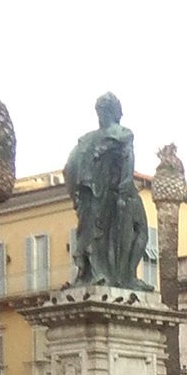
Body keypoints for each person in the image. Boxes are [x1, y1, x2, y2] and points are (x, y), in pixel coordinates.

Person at [63, 92, 150, 289]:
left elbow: (68, 169)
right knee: (140, 231)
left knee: (94, 238)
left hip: (89, 198)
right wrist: (124, 191)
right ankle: (127, 277)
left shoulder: (85, 140)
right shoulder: (123, 134)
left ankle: (107, 275)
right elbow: (128, 164)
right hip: (119, 192)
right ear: (116, 112)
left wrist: (75, 198)